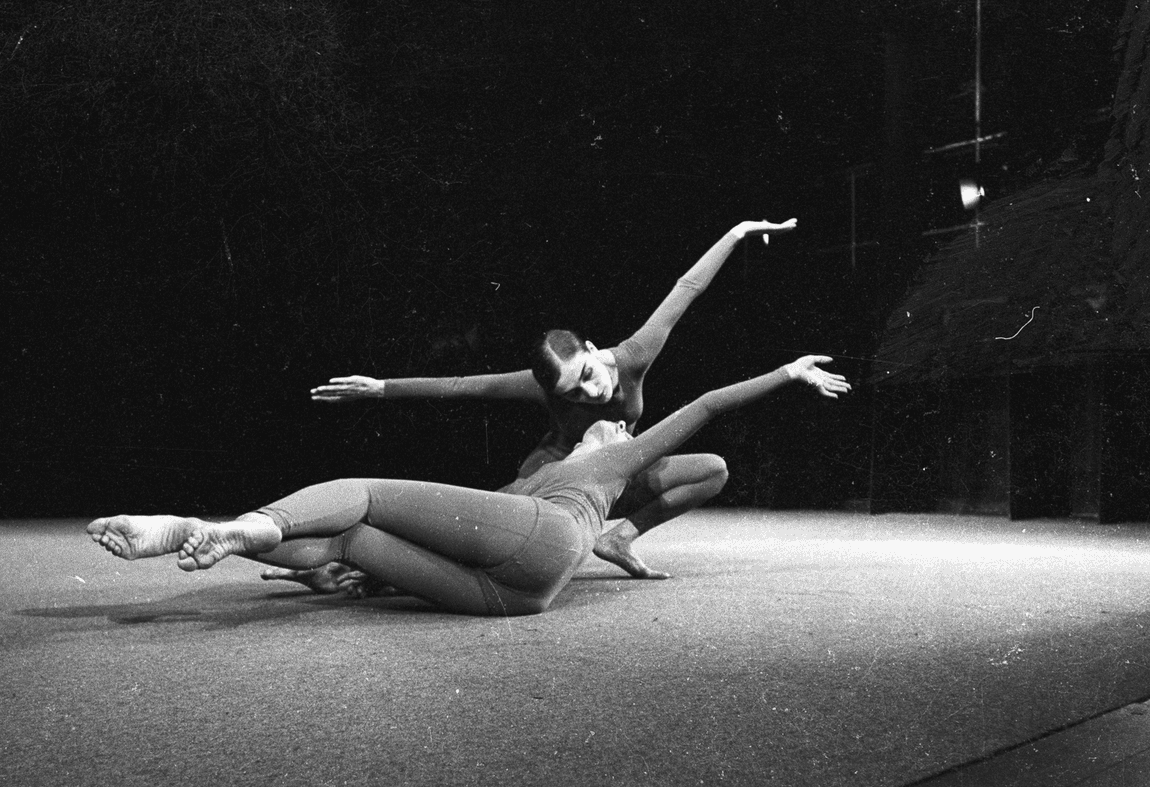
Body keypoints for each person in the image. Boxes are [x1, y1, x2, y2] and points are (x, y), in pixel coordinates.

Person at [88, 355, 850, 617]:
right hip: (518, 596)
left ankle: (240, 521)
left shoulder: (607, 463)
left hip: (545, 545)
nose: (615, 426)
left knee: (363, 487)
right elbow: (467, 525)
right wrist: (339, 573)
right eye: (606, 423)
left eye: (618, 427)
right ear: (577, 427)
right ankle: (206, 536)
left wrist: (788, 373)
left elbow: (709, 413)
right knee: (353, 538)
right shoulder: (541, 471)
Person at [309, 219, 797, 580]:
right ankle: (351, 563)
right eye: (574, 394)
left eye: (587, 376)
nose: (591, 392)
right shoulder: (539, 386)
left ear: (590, 348)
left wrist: (737, 233)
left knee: (712, 469)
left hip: (614, 475)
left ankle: (620, 540)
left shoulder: (633, 356)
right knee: (477, 541)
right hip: (551, 482)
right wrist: (381, 387)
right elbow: (462, 385)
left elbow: (685, 289)